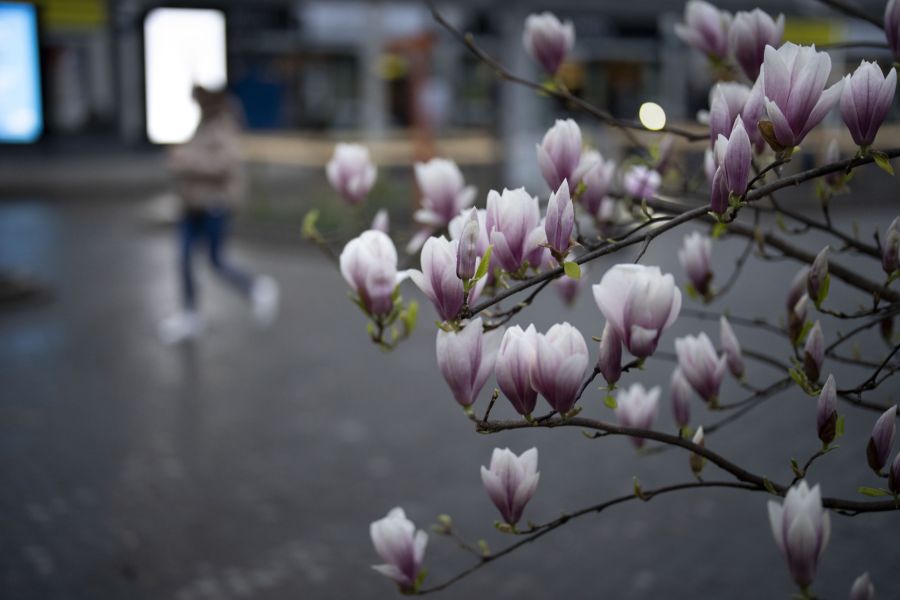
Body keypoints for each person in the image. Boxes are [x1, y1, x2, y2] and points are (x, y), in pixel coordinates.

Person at [158, 85, 278, 344]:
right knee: (184, 258)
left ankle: (256, 287)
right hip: (192, 205)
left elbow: (224, 164)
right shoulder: (204, 125)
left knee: (216, 260)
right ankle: (190, 315)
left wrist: (185, 162)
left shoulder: (223, 126)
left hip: (213, 205)